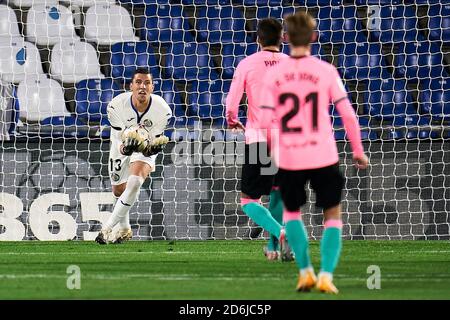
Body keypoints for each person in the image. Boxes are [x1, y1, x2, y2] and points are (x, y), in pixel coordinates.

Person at [259, 12, 369, 293]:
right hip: (323, 155)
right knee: (332, 214)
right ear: (314, 37)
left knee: (292, 214)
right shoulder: (326, 71)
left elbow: (266, 122)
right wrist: (358, 150)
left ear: (286, 38)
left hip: (290, 157)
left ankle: (305, 271)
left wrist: (275, 151)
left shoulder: (274, 75)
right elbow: (348, 115)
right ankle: (326, 276)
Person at [226, 18, 292, 261]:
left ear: (258, 40)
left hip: (259, 137)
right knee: (277, 193)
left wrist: (232, 120)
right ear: (282, 38)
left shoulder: (247, 64)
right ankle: (274, 249)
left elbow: (232, 102)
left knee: (248, 200)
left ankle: (280, 233)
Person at [95, 68, 172, 244]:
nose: (142, 86)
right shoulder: (115, 106)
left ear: (152, 87)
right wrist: (125, 149)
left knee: (135, 181)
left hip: (145, 144)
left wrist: (149, 150)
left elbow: (153, 141)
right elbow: (122, 141)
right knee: (119, 191)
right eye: (138, 82)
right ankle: (124, 229)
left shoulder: (163, 110)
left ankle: (106, 229)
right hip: (120, 144)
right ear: (131, 86)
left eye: (147, 83)